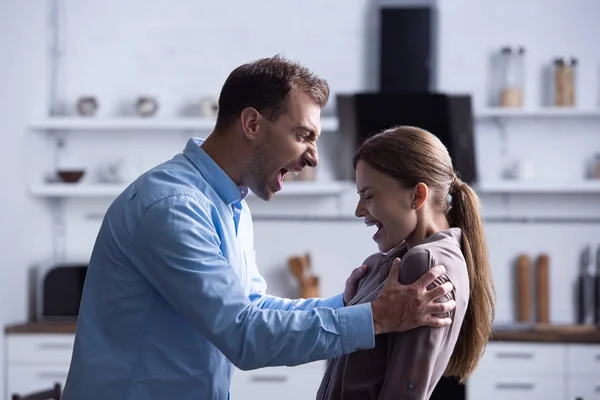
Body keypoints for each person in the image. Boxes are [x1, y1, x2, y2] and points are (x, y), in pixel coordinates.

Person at [61, 56, 456, 400]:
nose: (313, 158)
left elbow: (253, 307)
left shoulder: (230, 204)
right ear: (252, 123)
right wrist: (377, 318)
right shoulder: (173, 208)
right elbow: (244, 335)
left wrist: (348, 305)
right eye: (303, 135)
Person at [316, 126, 496, 400]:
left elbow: (404, 392)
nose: (358, 210)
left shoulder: (424, 264)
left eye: (369, 195)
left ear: (417, 196)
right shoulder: (402, 260)